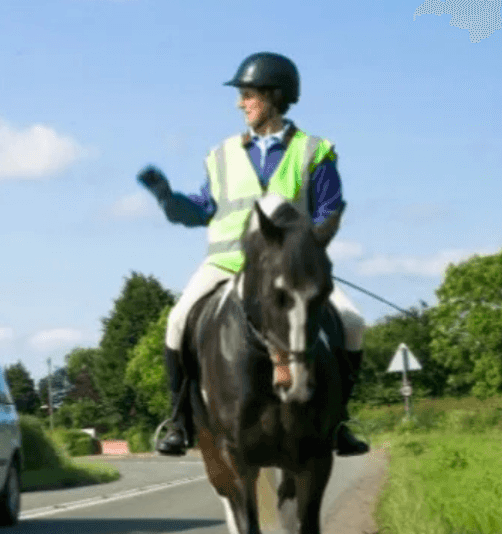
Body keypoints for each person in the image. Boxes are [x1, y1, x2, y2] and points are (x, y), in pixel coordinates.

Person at [136, 51, 369, 458]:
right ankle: (178, 422)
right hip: (227, 266)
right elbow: (200, 210)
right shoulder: (221, 154)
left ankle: (338, 420)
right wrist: (167, 198)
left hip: (292, 270)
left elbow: (328, 211)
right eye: (242, 96)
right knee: (176, 322)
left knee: (351, 322)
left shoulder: (315, 151)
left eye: (248, 95)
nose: (240, 103)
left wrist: (303, 256)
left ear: (275, 96)